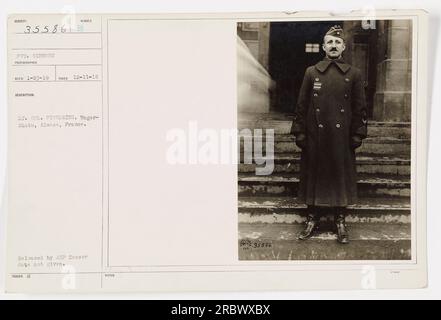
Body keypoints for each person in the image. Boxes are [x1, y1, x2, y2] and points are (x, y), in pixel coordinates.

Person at [292, 25, 368, 244]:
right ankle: (311, 219)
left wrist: (357, 134)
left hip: (341, 137)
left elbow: (360, 107)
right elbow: (301, 104)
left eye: (337, 43)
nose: (333, 46)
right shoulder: (311, 72)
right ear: (323, 47)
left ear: (343, 47)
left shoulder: (354, 74)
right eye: (329, 43)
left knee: (339, 176)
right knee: (314, 175)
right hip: (315, 135)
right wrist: (300, 132)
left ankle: (340, 221)